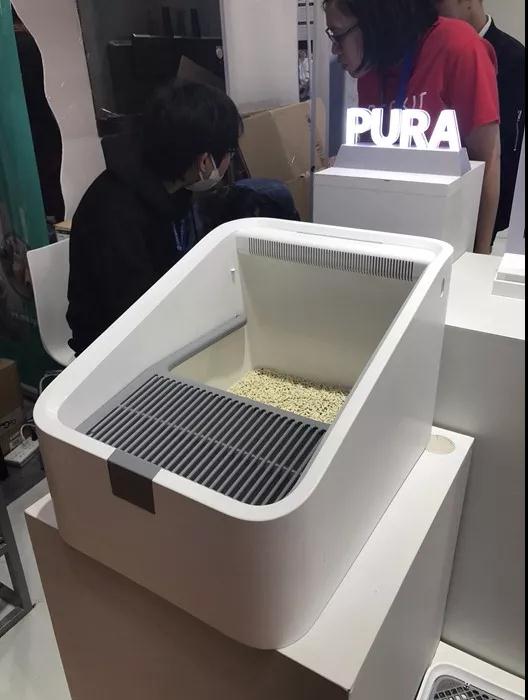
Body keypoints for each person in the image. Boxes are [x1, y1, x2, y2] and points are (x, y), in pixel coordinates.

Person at [67, 81, 242, 356]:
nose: (229, 162)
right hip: (110, 350)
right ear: (204, 161)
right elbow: (133, 313)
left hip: (156, 326)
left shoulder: (172, 188)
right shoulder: (114, 212)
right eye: (229, 154)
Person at [323, 0, 501, 254]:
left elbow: (487, 161)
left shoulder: (458, 46)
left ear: (373, 22)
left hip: (446, 241)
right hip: (388, 239)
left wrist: (479, 255)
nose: (334, 48)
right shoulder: (371, 66)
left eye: (338, 34)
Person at [436, 0, 525, 242]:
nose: (432, 11)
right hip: (446, 202)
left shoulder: (516, 60)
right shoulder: (434, 52)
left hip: (497, 214)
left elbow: (511, 148)